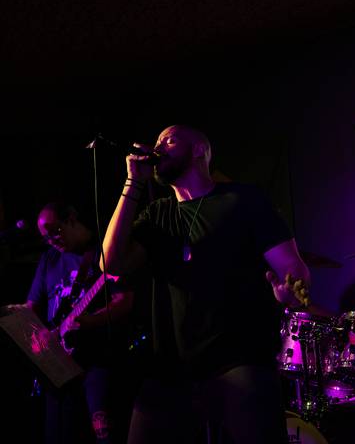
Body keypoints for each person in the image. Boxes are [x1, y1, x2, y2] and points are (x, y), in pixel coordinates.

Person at [100, 124, 311, 444]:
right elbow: (110, 263)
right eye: (157, 141)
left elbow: (293, 268)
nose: (158, 147)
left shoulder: (244, 200)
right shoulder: (157, 215)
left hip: (240, 360)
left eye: (169, 140)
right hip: (172, 369)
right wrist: (133, 182)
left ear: (199, 150)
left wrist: (290, 292)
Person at [11, 201, 135, 444]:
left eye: (55, 232)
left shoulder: (103, 250)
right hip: (61, 365)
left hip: (98, 361)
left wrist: (90, 321)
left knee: (104, 434)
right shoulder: (49, 259)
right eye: (46, 238)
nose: (51, 241)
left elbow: (125, 300)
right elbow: (32, 307)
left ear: (71, 219)